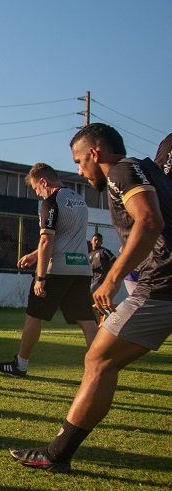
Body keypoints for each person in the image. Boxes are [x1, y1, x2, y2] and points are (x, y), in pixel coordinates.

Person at [10, 123, 172, 473]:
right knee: (99, 354)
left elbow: (149, 220)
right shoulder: (149, 170)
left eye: (80, 161)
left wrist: (112, 279)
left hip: (163, 284)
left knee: (99, 360)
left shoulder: (121, 171)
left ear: (94, 153)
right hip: (155, 282)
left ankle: (57, 454)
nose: (81, 172)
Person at [0, 163, 97, 378]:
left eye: (36, 189)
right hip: (81, 269)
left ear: (43, 182)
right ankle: (101, 365)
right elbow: (66, 236)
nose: (38, 194)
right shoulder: (79, 200)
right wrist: (34, 256)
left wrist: (40, 277)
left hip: (56, 270)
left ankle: (20, 365)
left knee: (34, 315)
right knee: (87, 320)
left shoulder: (51, 203)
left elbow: (46, 242)